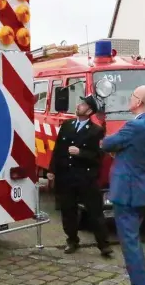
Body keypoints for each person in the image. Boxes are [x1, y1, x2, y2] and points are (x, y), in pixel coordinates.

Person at [102, 85, 145, 285]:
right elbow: (133, 149)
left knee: (130, 243)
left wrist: (111, 147)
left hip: (126, 190)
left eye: (132, 95)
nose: (130, 99)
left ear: (139, 102)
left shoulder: (135, 126)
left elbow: (108, 143)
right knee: (132, 238)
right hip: (141, 187)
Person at [47, 94, 113, 257]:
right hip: (66, 176)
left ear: (90, 110)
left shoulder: (96, 131)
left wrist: (81, 152)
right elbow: (58, 150)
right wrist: (52, 170)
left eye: (83, 105)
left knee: (95, 211)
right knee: (68, 210)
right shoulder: (67, 125)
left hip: (86, 177)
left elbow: (99, 156)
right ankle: (72, 240)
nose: (78, 106)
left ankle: (103, 245)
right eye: (79, 103)